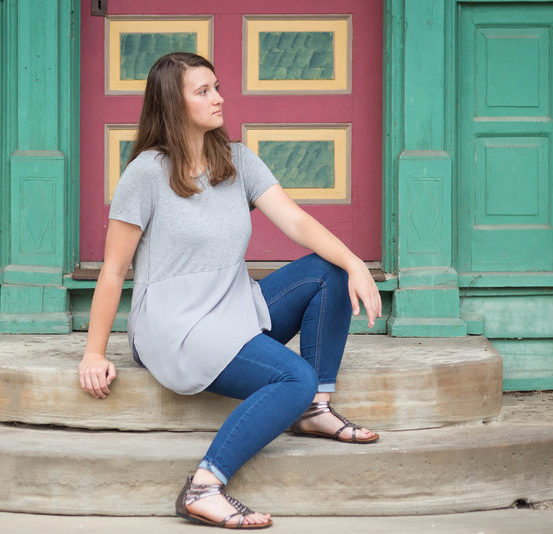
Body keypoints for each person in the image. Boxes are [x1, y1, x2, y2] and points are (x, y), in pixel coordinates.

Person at [79, 52, 382, 530]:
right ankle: (204, 486)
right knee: (290, 377)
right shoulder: (146, 173)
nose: (219, 98)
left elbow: (296, 221)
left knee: (330, 271)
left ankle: (315, 408)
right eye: (203, 91)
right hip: (175, 325)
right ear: (173, 105)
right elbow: (114, 269)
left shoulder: (237, 160)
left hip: (234, 305)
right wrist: (93, 353)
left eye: (216, 87)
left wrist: (354, 262)